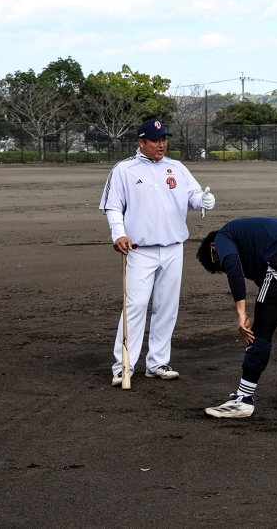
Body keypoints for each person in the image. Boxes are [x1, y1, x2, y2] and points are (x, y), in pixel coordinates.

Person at [99, 119, 215, 385]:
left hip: (173, 247)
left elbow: (194, 195)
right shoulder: (124, 170)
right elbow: (113, 206)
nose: (161, 144)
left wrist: (204, 200)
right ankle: (123, 365)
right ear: (141, 142)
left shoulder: (177, 167)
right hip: (139, 249)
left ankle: (158, 362)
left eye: (164, 139)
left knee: (167, 307)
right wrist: (118, 233)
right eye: (156, 140)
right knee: (135, 306)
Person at [195, 217, 277, 418]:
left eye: (218, 262)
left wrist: (241, 313)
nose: (222, 266)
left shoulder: (223, 235)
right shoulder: (251, 238)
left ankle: (244, 399)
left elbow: (233, 267)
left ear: (213, 247)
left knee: (260, 332)